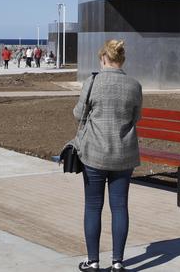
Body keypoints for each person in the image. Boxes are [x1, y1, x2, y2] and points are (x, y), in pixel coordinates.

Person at [73, 39, 142, 272]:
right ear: (121, 59)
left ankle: (93, 262)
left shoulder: (92, 82)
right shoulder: (134, 85)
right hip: (124, 154)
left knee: (93, 206)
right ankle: (118, 262)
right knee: (120, 206)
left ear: (103, 58)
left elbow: (78, 113)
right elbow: (136, 117)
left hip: (94, 153)